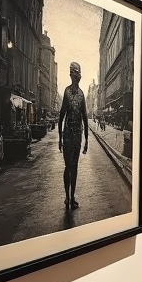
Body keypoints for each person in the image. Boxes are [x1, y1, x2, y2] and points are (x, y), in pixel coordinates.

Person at [58, 62, 89, 209]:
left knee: (74, 167)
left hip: (77, 136)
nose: (75, 77)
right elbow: (61, 115)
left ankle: (72, 197)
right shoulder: (66, 92)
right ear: (71, 76)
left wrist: (87, 140)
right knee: (67, 167)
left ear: (79, 77)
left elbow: (85, 117)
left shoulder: (82, 94)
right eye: (73, 74)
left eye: (77, 75)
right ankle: (67, 196)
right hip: (67, 136)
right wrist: (59, 137)